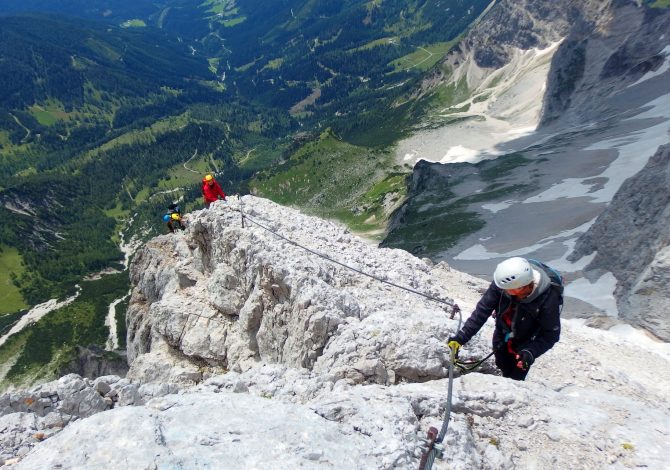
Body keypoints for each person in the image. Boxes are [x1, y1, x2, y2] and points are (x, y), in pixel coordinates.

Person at [448, 257, 562, 381]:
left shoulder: (548, 300)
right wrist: (461, 337)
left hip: (526, 341)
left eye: (507, 289)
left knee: (516, 375)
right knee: (501, 362)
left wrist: (530, 352)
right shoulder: (503, 284)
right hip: (502, 331)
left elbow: (551, 335)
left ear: (519, 287)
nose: (502, 290)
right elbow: (482, 311)